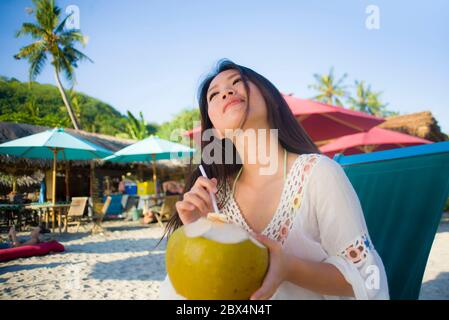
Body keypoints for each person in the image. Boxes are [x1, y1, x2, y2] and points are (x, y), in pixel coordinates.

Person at [160, 59, 389, 300]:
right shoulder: (215, 196)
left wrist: (288, 268)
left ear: (271, 99)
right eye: (214, 95)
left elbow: (367, 278)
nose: (226, 92)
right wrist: (197, 231)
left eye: (237, 82)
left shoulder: (318, 174)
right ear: (215, 129)